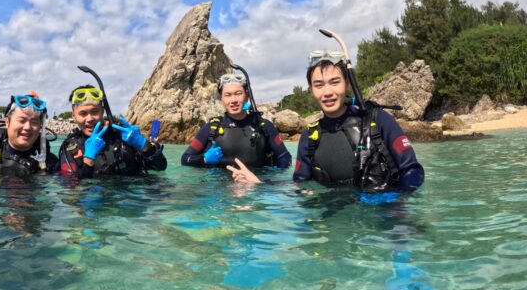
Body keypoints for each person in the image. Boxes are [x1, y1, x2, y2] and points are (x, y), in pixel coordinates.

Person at [228, 51, 424, 193]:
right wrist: (259, 184)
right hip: (334, 217)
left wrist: (395, 202)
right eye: (319, 85)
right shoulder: (310, 137)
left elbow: (412, 170)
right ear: (311, 90)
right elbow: (299, 185)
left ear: (347, 84)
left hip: (386, 215)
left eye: (335, 82)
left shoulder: (377, 119)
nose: (327, 92)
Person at [181, 72, 292, 170]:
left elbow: (285, 158)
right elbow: (185, 159)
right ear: (221, 99)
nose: (233, 100)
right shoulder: (211, 128)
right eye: (227, 95)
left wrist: (269, 182)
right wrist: (204, 159)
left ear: (247, 96)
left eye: (238, 93)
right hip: (220, 186)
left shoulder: (264, 126)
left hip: (255, 185)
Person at [59, 85, 167, 178]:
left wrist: (144, 145)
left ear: (102, 111)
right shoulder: (71, 149)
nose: (90, 119)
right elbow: (73, 189)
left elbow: (161, 167)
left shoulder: (122, 136)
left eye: (95, 112)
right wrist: (88, 160)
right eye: (83, 114)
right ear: (74, 116)